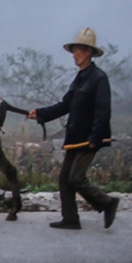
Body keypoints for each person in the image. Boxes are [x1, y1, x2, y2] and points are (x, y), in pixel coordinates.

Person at [29, 29, 118, 231]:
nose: (74, 54)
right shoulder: (80, 78)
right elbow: (65, 105)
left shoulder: (98, 78)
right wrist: (40, 113)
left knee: (76, 178)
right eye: (74, 50)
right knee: (64, 180)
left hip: (90, 137)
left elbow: (103, 111)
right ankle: (71, 219)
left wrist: (96, 136)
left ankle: (106, 202)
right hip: (75, 136)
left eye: (78, 50)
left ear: (88, 52)